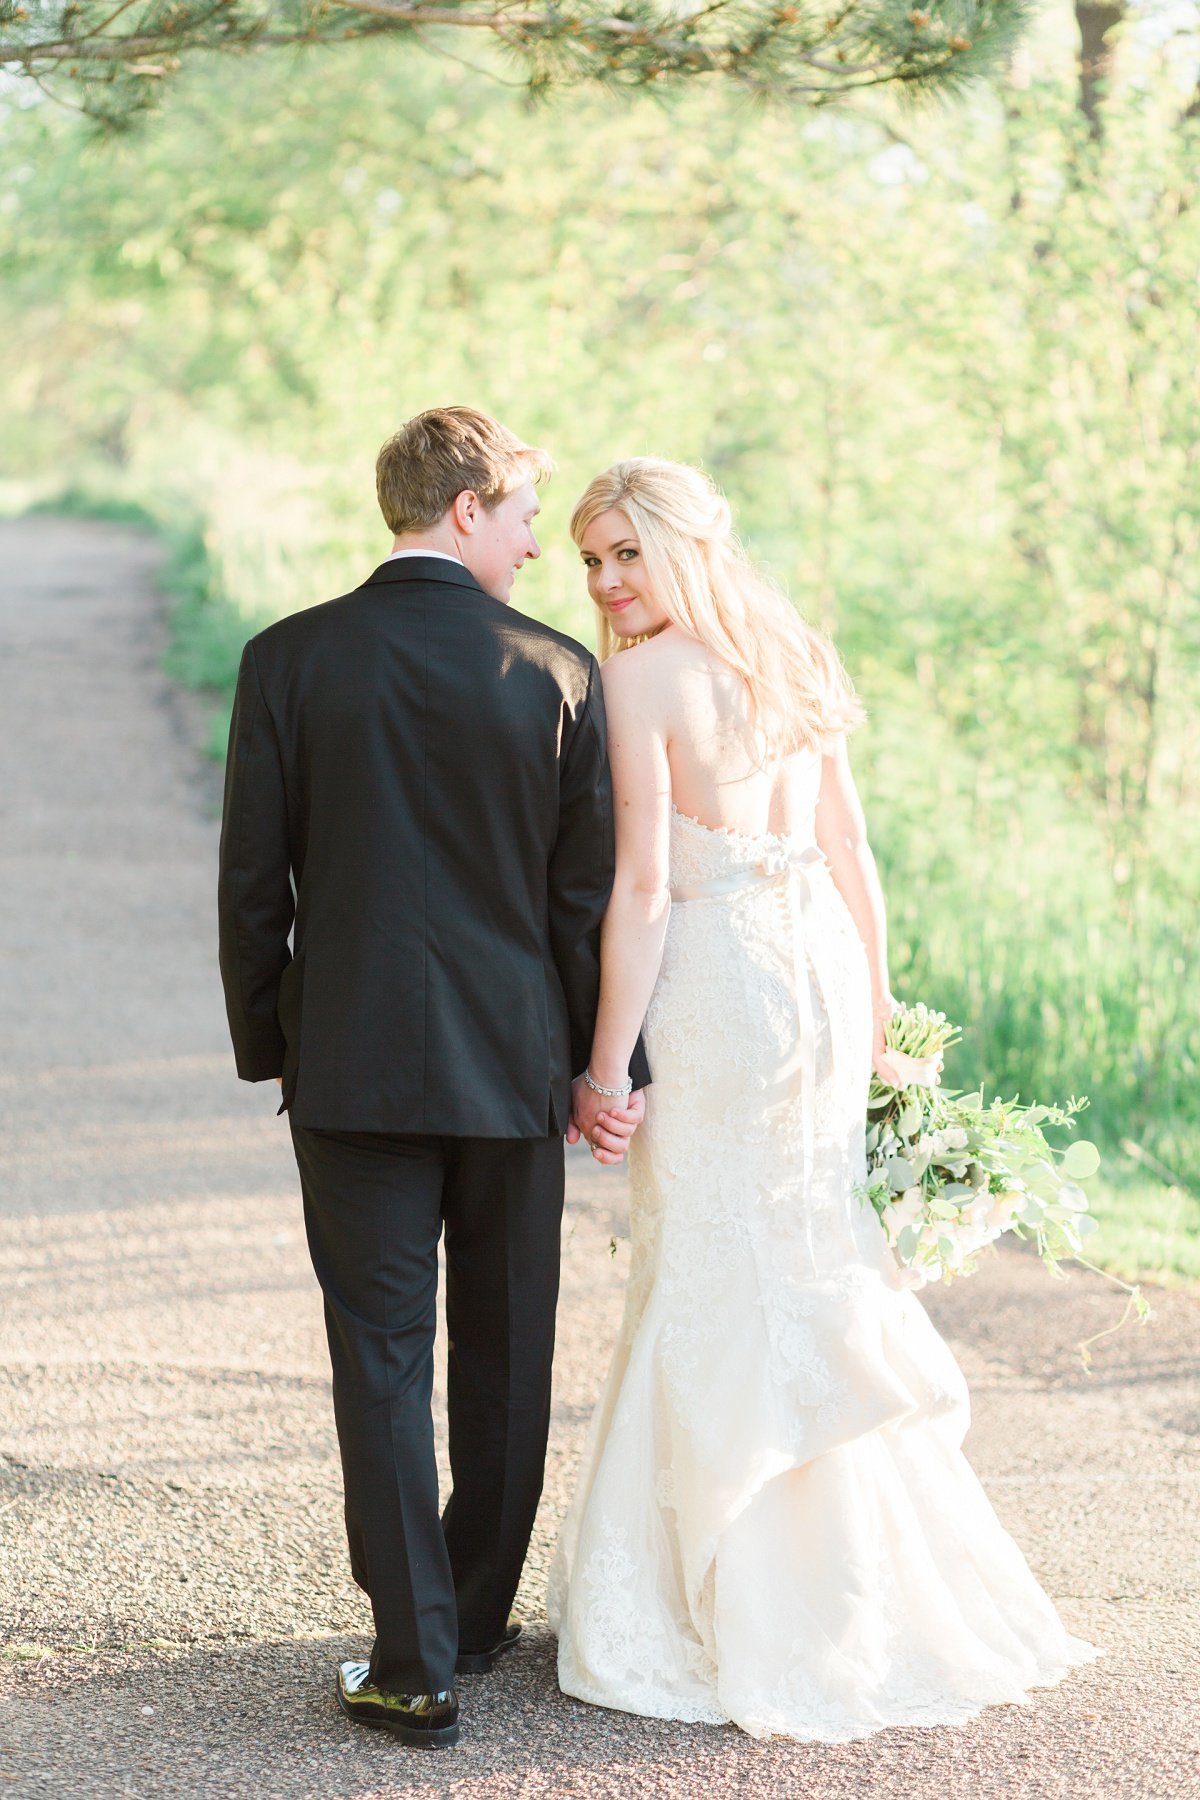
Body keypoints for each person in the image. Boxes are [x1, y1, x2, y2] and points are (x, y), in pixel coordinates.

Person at [550, 457, 1098, 1741]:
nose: (606, 583)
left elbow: (641, 889)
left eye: (627, 553)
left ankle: (740, 1601)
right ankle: (861, 1583)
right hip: (816, 972)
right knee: (803, 1249)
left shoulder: (640, 679)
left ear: (685, 547)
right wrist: (879, 1014)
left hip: (723, 988)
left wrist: (602, 1066)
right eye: (589, 559)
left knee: (712, 1259)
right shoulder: (792, 651)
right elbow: (849, 850)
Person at [217, 407, 647, 1750]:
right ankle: (467, 1613)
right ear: (463, 507)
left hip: (346, 1073)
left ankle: (413, 1662)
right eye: (523, 517)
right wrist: (601, 1068)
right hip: (512, 1071)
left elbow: (251, 888)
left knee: (382, 1360)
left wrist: (273, 1044)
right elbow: (587, 901)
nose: (533, 543)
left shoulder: (286, 660)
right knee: (509, 1350)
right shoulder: (556, 672)